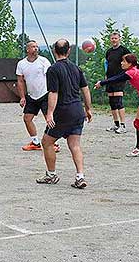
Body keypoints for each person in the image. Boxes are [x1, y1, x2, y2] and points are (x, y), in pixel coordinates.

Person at [36, 39, 92, 189]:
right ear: (68, 51)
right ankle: (80, 177)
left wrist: (49, 113)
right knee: (74, 145)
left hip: (63, 112)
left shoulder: (53, 69)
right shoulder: (76, 68)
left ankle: (51, 175)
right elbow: (85, 89)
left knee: (47, 142)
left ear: (54, 51)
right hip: (77, 111)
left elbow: (53, 92)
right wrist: (88, 109)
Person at [16, 40, 59, 152]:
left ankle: (53, 143)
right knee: (27, 118)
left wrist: (52, 93)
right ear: (27, 49)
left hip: (45, 94)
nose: (36, 48)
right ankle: (35, 142)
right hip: (31, 96)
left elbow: (51, 77)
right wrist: (22, 97)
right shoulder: (21, 64)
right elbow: (20, 81)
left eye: (37, 47)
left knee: (49, 119)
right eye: (33, 47)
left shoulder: (43, 61)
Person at [104, 32, 131, 134]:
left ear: (119, 39)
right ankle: (116, 124)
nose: (114, 40)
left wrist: (127, 73)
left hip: (120, 78)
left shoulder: (123, 50)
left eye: (115, 38)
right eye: (112, 38)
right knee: (112, 102)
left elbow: (131, 61)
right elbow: (107, 63)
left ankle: (123, 125)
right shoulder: (109, 51)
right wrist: (106, 75)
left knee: (118, 101)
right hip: (110, 79)